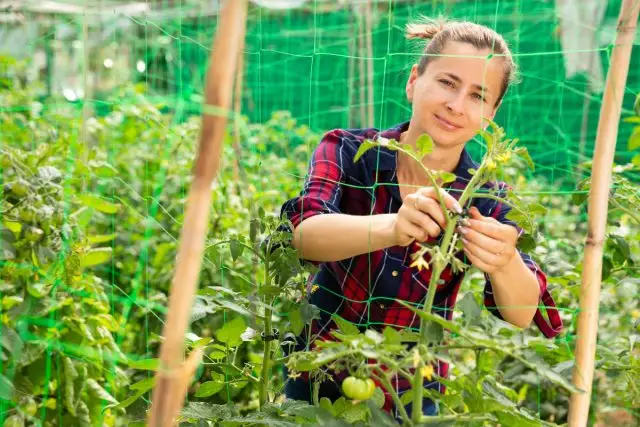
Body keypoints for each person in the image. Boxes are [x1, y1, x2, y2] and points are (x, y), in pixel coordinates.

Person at [278, 17, 563, 420]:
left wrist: (504, 261)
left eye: (478, 96)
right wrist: (392, 227)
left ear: (491, 114)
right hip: (317, 377)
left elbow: (520, 312)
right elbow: (304, 235)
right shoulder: (348, 150)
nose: (456, 105)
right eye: (447, 82)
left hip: (409, 394)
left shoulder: (486, 197)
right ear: (414, 80)